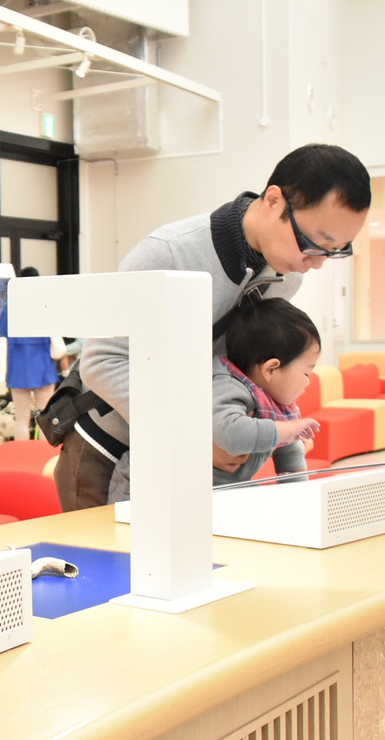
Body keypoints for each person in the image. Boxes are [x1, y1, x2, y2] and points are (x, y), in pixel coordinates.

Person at [54, 143, 370, 511]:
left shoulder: (286, 278)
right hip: (108, 449)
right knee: (108, 565)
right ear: (274, 201)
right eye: (313, 243)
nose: (316, 264)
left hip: (195, 461)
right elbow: (102, 362)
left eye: (335, 251)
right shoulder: (169, 254)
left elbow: (242, 368)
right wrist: (194, 433)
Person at [212, 297, 321, 485]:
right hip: (202, 491)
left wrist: (299, 490)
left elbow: (289, 448)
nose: (307, 382)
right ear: (271, 369)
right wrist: (286, 430)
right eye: (306, 372)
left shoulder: (276, 403)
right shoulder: (227, 387)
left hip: (238, 485)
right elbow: (229, 433)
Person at [0, 266, 62, 441]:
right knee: (44, 418)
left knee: (21, 419)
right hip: (43, 368)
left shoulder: (13, 304)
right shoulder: (45, 303)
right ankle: (41, 458)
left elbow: (1, 329)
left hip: (18, 369)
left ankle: (22, 456)